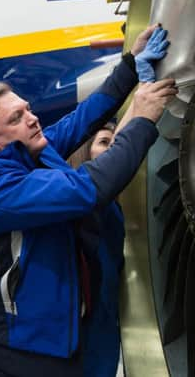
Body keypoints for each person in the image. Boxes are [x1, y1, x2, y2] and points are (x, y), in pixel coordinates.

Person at [0, 25, 176, 376]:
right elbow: (87, 190)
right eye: (16, 118)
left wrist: (131, 65)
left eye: (27, 109)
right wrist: (141, 121)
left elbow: (81, 119)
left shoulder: (30, 150)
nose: (32, 119)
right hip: (16, 347)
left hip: (55, 337)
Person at [67, 121, 124, 377]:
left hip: (106, 314)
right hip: (84, 317)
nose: (112, 149)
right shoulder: (80, 200)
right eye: (103, 143)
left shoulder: (112, 204)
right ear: (85, 151)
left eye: (115, 143)